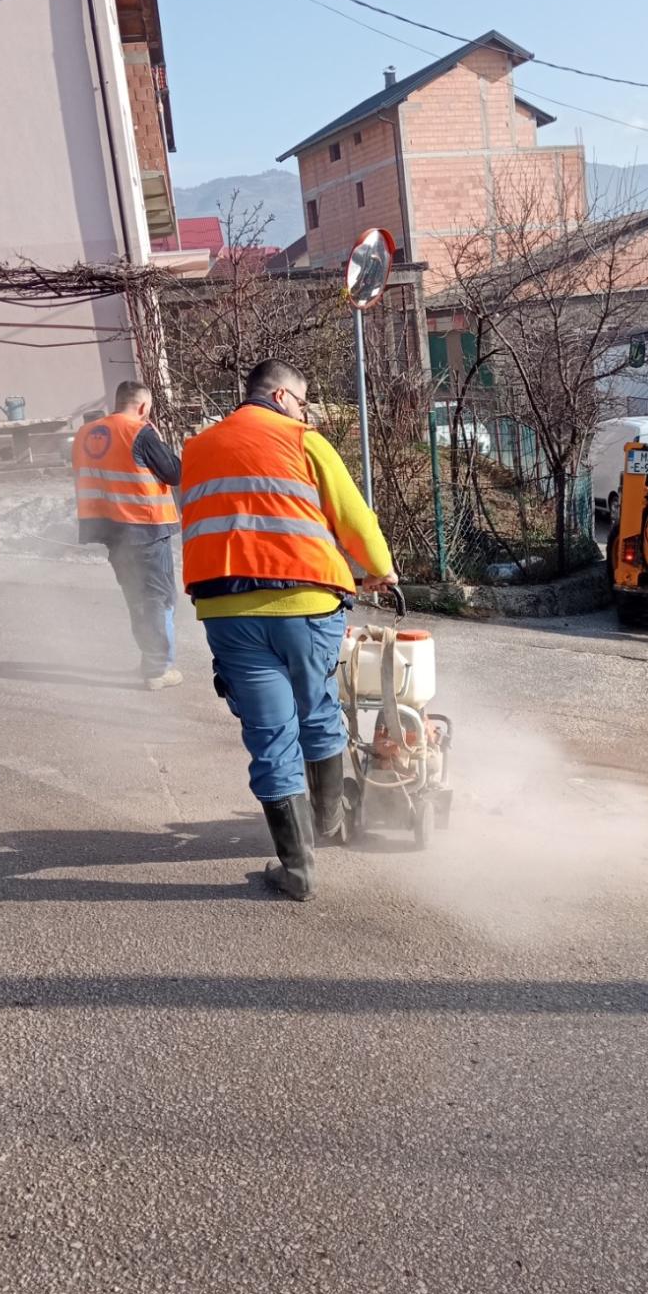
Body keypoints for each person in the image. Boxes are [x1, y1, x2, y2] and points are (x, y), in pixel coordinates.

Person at [179, 358, 397, 901]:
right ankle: (330, 826)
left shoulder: (197, 448)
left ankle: (298, 873)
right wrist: (381, 571)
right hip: (306, 605)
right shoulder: (302, 440)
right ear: (280, 397)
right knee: (318, 709)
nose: (306, 410)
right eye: (303, 401)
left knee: (270, 736)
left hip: (229, 614)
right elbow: (354, 516)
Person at [72, 381, 182, 689]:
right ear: (143, 407)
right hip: (144, 527)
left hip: (111, 530)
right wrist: (157, 439)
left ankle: (151, 659)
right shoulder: (139, 431)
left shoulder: (87, 434)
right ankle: (158, 668)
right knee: (157, 598)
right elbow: (174, 472)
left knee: (137, 596)